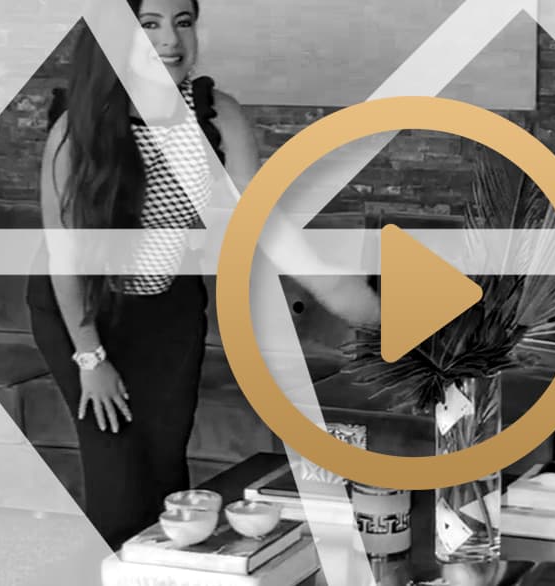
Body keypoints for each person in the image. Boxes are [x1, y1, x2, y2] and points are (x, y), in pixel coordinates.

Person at [26, 0, 379, 550]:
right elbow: (65, 259)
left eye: (183, 22)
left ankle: (171, 571)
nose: (171, 40)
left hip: (169, 306)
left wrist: (383, 315)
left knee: (167, 465)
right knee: (119, 472)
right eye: (149, 24)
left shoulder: (217, 115)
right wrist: (91, 359)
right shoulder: (78, 129)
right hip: (86, 312)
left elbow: (270, 231)